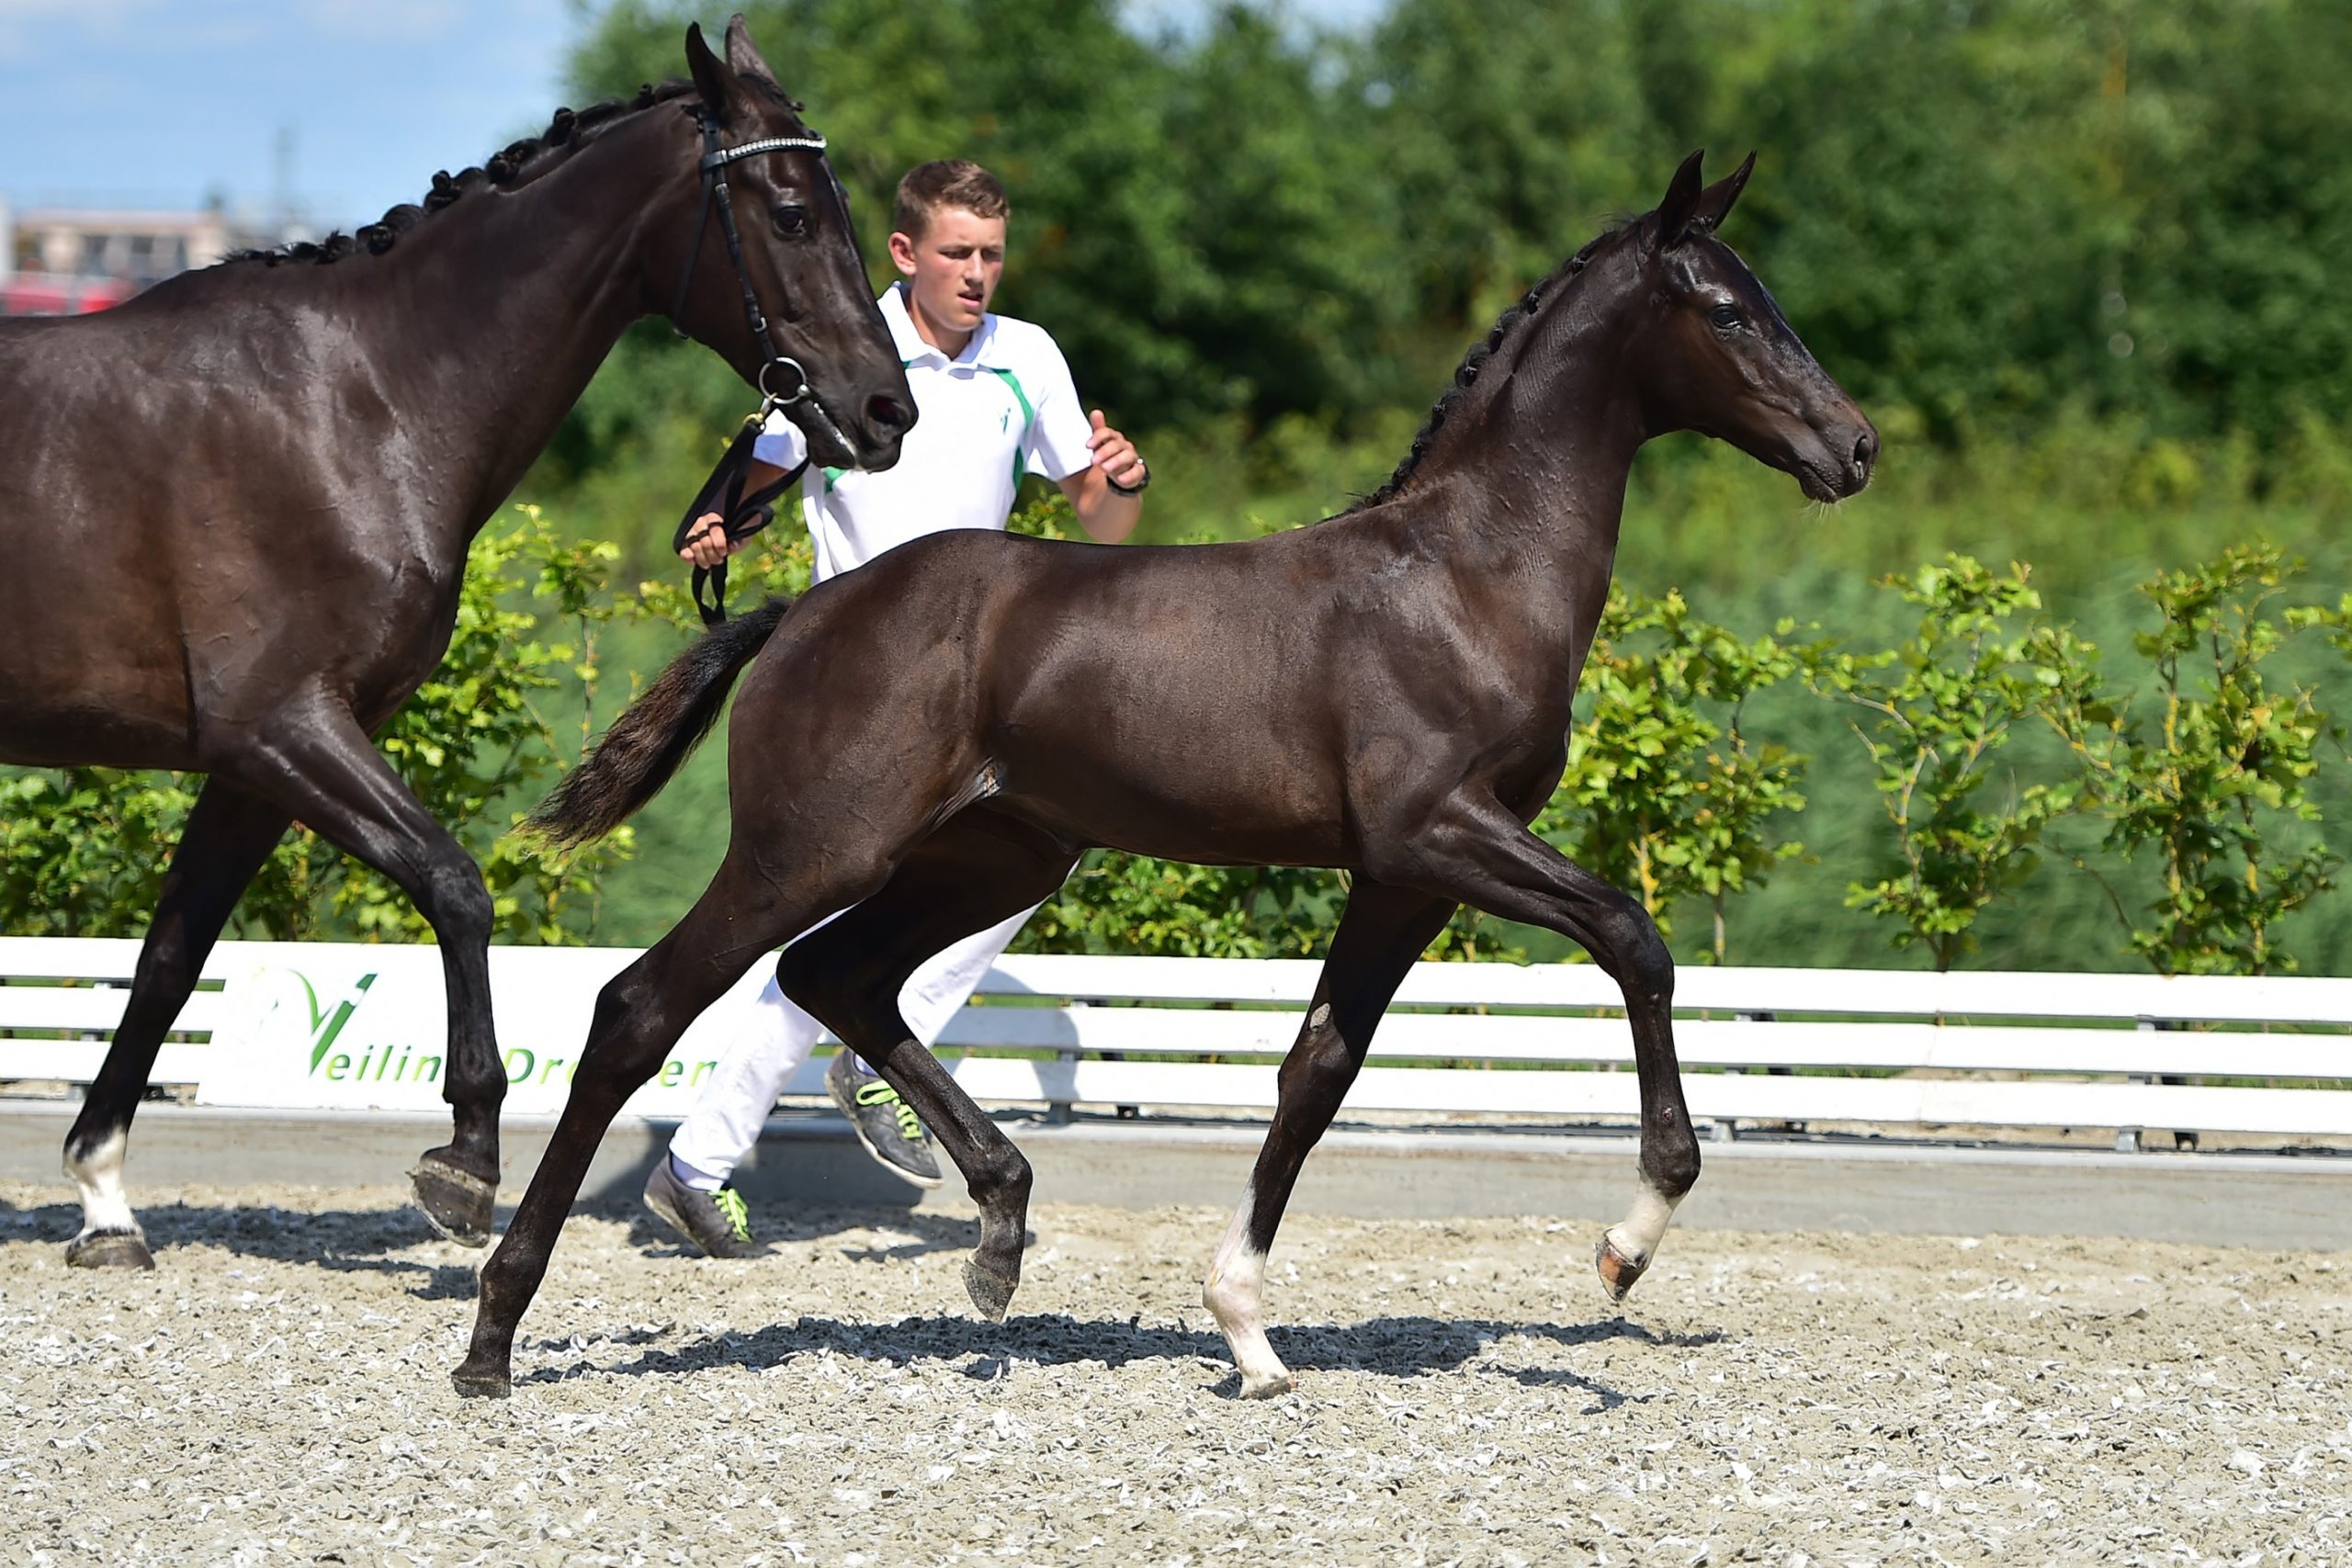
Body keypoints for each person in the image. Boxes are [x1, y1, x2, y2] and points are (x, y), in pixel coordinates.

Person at [643, 158, 1149, 1257]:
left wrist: (1122, 478)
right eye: (957, 254)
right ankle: (706, 1160)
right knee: (827, 923)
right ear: (905, 254)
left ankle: (872, 1050)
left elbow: (1097, 522)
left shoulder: (1027, 358)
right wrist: (718, 517)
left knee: (1036, 856)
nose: (978, 275)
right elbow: (762, 462)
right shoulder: (847, 351)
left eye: (992, 256)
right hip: (854, 692)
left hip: (979, 692)